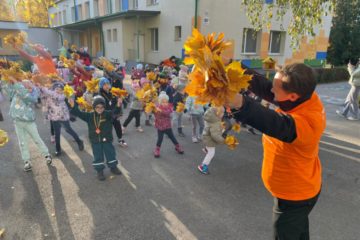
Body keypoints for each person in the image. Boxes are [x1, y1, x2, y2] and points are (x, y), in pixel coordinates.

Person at [228, 63, 326, 239]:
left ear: (293, 96)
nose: (271, 91)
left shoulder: (309, 123)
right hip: (299, 191)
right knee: (300, 232)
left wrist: (238, 102)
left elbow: (275, 123)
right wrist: (232, 66)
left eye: (276, 89)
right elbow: (267, 88)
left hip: (295, 198)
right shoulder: (303, 95)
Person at [2, 78, 52, 171]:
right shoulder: (17, 91)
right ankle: (27, 161)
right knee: (22, 142)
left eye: (27, 82)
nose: (24, 83)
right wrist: (6, 79)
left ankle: (46, 155)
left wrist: (16, 82)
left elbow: (29, 97)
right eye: (23, 82)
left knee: (36, 138)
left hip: (29, 121)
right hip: (17, 121)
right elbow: (7, 90)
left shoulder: (32, 93)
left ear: (31, 84)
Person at [68, 96, 123, 181]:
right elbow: (78, 113)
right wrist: (73, 105)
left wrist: (118, 105)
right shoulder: (89, 116)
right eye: (97, 107)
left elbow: (115, 112)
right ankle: (99, 170)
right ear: (94, 107)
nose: (99, 109)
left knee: (110, 153)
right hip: (95, 140)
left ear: (104, 107)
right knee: (98, 156)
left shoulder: (107, 114)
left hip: (107, 139)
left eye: (102, 107)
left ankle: (113, 167)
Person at [40, 82, 84, 156]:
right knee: (57, 134)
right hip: (54, 118)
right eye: (56, 89)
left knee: (68, 130)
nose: (58, 90)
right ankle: (58, 150)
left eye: (60, 89)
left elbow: (57, 97)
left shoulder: (62, 96)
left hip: (63, 117)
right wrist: (41, 88)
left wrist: (44, 89)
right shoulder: (50, 95)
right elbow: (45, 100)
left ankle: (79, 141)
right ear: (53, 89)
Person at [98, 77, 127, 147]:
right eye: (104, 84)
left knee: (118, 127)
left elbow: (117, 102)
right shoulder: (100, 95)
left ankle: (120, 139)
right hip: (106, 115)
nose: (107, 86)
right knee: (106, 129)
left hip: (115, 114)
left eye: (108, 83)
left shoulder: (113, 92)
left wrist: (120, 102)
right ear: (101, 86)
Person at [153, 91, 184, 158]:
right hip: (160, 126)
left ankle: (177, 146)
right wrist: (154, 110)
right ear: (160, 102)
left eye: (166, 102)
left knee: (172, 137)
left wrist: (161, 111)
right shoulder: (157, 107)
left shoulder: (169, 107)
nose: (165, 103)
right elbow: (155, 115)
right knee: (160, 139)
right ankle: (157, 150)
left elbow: (169, 114)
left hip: (167, 126)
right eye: (163, 102)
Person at [197, 106, 225, 174]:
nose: (223, 114)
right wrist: (222, 140)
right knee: (211, 153)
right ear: (218, 114)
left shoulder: (212, 118)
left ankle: (206, 149)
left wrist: (221, 128)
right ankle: (203, 166)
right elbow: (215, 135)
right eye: (222, 113)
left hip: (206, 136)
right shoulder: (215, 122)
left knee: (209, 149)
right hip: (210, 139)